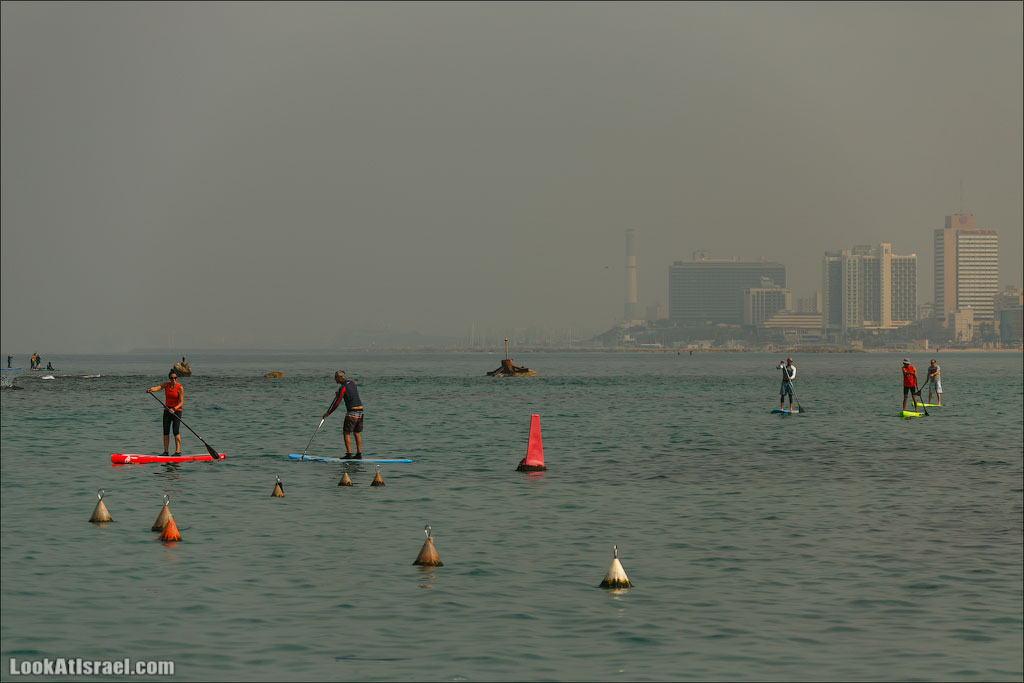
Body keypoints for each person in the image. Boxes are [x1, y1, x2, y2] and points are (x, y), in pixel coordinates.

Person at [323, 370, 364, 459]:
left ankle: (349, 454)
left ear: (341, 378)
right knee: (356, 432)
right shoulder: (353, 383)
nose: (335, 379)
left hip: (352, 412)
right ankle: (359, 454)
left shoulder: (343, 388)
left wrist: (328, 413)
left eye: (336, 377)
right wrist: (340, 393)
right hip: (360, 411)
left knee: (346, 432)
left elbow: (337, 403)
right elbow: (351, 391)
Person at [147, 370, 184, 456]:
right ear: (169, 378)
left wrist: (174, 408)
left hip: (176, 410)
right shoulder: (166, 385)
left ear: (177, 378)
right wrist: (150, 389)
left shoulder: (180, 388)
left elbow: (181, 402)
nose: (173, 380)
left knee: (175, 431)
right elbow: (158, 387)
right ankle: (166, 452)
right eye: (172, 378)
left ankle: (177, 452)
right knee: (166, 431)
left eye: (175, 378)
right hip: (167, 410)